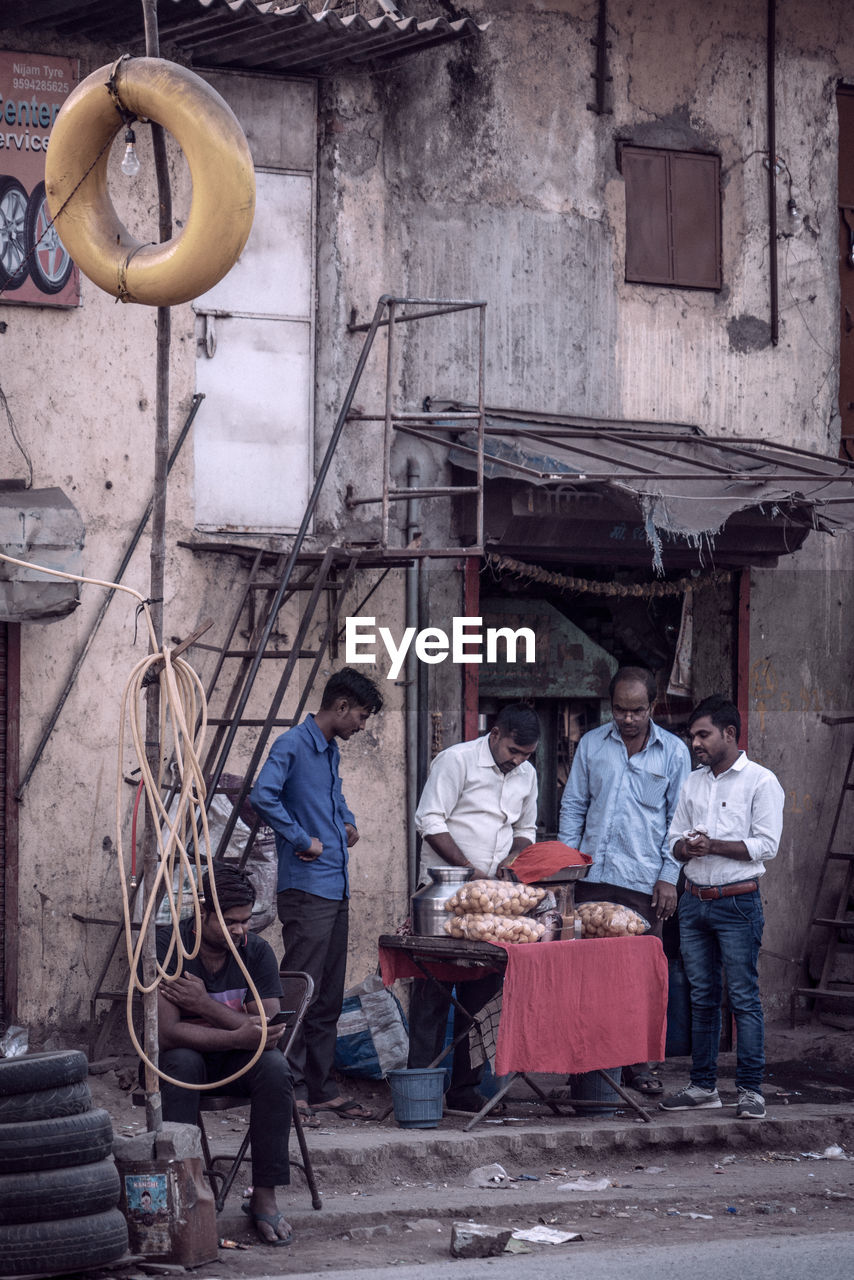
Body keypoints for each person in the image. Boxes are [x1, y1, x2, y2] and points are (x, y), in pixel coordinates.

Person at [249, 666, 382, 1123]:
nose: (361, 726)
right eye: (360, 717)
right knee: (299, 991)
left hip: (335, 884)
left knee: (326, 993)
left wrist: (347, 821)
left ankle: (321, 1087)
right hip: (305, 887)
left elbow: (334, 795)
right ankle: (287, 1088)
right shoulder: (292, 744)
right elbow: (262, 796)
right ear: (341, 706)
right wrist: (301, 839)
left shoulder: (328, 751)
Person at [558, 665, 691, 1095]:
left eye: (636, 710)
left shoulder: (673, 752)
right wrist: (564, 869)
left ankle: (639, 1066)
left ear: (652, 706)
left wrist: (669, 879)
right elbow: (574, 806)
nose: (628, 718)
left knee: (639, 979)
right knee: (589, 977)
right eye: (620, 709)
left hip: (644, 884)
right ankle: (588, 1062)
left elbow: (679, 822)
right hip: (593, 879)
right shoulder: (593, 745)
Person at [408, 703, 541, 1111]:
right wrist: (470, 871)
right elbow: (429, 821)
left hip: (493, 900)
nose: (517, 761)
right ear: (495, 734)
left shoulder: (527, 775)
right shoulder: (457, 760)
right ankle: (420, 1087)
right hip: (443, 894)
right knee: (433, 991)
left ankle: (465, 1090)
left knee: (481, 993)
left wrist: (508, 864)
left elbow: (525, 830)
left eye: (526, 755)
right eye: (513, 751)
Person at [156, 864, 293, 1246]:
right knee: (180, 1062)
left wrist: (206, 1006)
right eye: (231, 922)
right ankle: (188, 1194)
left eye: (246, 921)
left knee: (275, 1068)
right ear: (202, 912)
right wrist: (240, 1032)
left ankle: (264, 1197)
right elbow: (168, 1034)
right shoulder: (170, 945)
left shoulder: (257, 950)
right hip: (187, 1057)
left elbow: (268, 1032)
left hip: (235, 1061)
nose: (241, 930)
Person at [660, 695, 784, 1120]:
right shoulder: (693, 782)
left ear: (729, 734)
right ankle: (702, 1087)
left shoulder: (761, 782)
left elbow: (767, 845)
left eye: (702, 734)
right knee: (703, 997)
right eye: (692, 735)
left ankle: (750, 1091)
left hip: (738, 903)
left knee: (744, 998)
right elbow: (672, 839)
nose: (694, 743)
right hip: (694, 904)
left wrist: (713, 846)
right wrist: (685, 847)